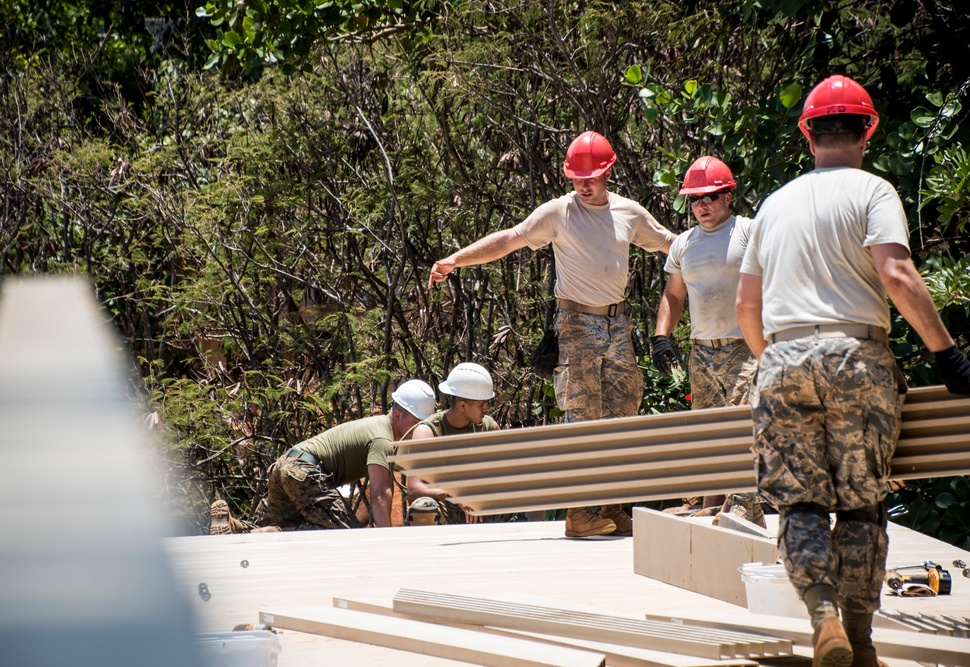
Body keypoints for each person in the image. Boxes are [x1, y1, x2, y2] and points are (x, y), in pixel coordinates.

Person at [735, 75, 970, 667]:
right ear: (867, 129)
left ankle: (822, 616)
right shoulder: (873, 192)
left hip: (783, 358)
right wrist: (945, 352)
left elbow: (747, 304)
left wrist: (775, 357)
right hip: (857, 355)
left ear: (808, 133)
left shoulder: (773, 204)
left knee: (799, 504)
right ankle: (863, 640)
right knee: (863, 504)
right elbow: (895, 275)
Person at [428, 131, 677, 538]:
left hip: (618, 324)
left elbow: (670, 244)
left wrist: (721, 253)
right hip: (577, 324)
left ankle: (613, 508)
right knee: (582, 415)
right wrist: (456, 260)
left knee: (623, 414)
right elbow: (508, 240)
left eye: (592, 176)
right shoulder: (557, 213)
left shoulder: (630, 213)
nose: (584, 184)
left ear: (609, 172)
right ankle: (579, 512)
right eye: (577, 177)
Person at [650, 156, 764, 527]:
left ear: (728, 196)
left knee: (742, 424)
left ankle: (746, 504)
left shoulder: (749, 231)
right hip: (702, 351)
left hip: (744, 346)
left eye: (710, 197)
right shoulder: (684, 244)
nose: (702, 205)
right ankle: (715, 503)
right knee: (710, 432)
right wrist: (661, 337)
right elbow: (674, 295)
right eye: (694, 199)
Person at [250, 378, 437, 531]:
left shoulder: (379, 427)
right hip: (304, 472)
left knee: (260, 527)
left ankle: (231, 523)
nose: (419, 428)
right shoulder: (383, 439)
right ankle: (282, 533)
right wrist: (387, 540)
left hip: (287, 464)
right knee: (346, 534)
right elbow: (380, 494)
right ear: (397, 415)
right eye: (416, 421)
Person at [405, 362, 500, 525]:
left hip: (484, 507)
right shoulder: (428, 432)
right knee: (423, 507)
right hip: (447, 509)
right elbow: (414, 489)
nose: (486, 409)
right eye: (481, 404)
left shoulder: (489, 428)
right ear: (462, 405)